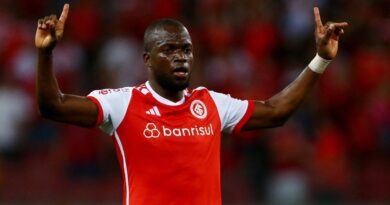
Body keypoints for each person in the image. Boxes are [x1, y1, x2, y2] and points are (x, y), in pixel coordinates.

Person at [35, 3, 348, 205]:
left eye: (186, 49)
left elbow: (276, 111)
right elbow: (55, 106)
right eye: (169, 49)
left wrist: (321, 59)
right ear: (147, 59)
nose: (180, 56)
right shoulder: (122, 102)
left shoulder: (209, 103)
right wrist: (46, 53)